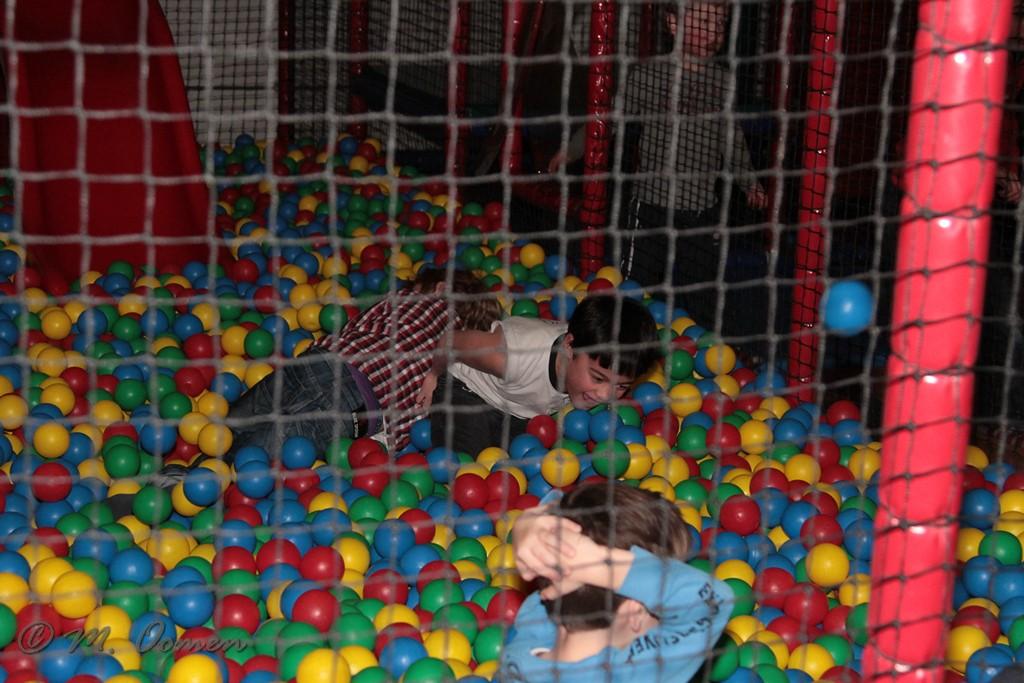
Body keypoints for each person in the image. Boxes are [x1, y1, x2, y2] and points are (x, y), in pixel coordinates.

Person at [498, 482, 734, 682]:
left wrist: (531, 526)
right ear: (637, 611)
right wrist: (604, 566)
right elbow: (712, 603)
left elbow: (556, 509)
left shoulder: (526, 641)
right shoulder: (629, 674)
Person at [422, 295, 661, 457]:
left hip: (520, 412)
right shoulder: (512, 356)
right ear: (569, 347)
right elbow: (451, 342)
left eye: (621, 386)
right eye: (598, 378)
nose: (605, 395)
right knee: (464, 470)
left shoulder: (589, 364)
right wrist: (433, 376)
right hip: (469, 392)